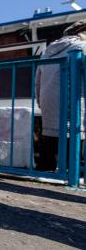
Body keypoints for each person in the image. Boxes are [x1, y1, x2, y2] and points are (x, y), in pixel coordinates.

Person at [35, 19, 86, 171]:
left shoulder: (46, 52)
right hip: (73, 102)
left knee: (50, 137)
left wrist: (40, 102)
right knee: (76, 136)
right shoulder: (82, 47)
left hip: (48, 103)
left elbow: (37, 81)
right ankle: (75, 174)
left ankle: (45, 171)